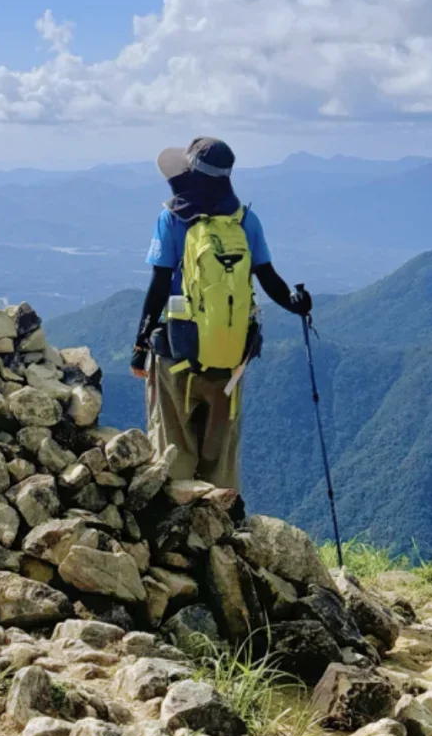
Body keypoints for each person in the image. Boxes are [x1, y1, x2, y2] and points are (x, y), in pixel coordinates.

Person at [130, 136, 312, 490]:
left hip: (176, 354)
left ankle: (175, 526)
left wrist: (140, 344)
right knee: (221, 456)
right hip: (230, 357)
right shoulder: (245, 219)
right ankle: (221, 531)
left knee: (172, 447)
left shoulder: (172, 218)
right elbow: (269, 278)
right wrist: (296, 304)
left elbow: (158, 283)